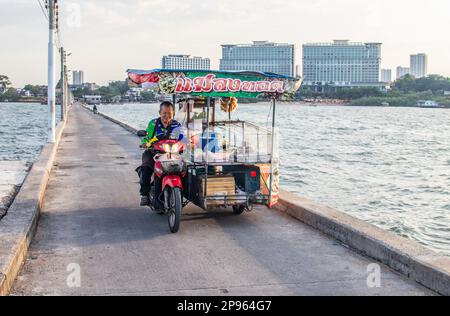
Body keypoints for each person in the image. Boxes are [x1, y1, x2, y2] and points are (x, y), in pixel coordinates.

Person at [138, 101, 184, 208]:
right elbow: (146, 137)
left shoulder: (176, 125)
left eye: (169, 113)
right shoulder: (153, 124)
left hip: (172, 153)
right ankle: (144, 194)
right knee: (145, 169)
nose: (167, 116)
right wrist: (145, 143)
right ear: (160, 112)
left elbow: (183, 137)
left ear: (173, 114)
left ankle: (181, 192)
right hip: (153, 152)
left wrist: (190, 141)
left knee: (185, 169)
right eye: (164, 113)